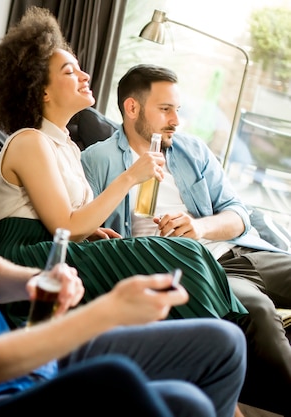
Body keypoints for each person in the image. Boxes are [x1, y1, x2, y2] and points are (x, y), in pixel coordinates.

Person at [0, 22, 247, 417]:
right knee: (124, 369)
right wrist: (107, 310)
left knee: (202, 381)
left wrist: (31, 280)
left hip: (15, 343)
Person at [0, 6, 247, 332]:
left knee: (187, 253)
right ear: (42, 90)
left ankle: (217, 333)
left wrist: (93, 230)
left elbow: (69, 218)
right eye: (70, 72)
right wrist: (130, 177)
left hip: (58, 248)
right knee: (182, 255)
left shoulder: (65, 145)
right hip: (28, 260)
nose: (85, 76)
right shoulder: (29, 142)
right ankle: (218, 334)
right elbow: (65, 225)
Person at [80, 63, 291, 416]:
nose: (176, 120)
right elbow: (92, 234)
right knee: (258, 311)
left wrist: (200, 227)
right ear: (132, 108)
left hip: (239, 250)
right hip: (203, 273)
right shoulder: (97, 161)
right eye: (165, 109)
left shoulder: (192, 150)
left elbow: (238, 212)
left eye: (178, 109)